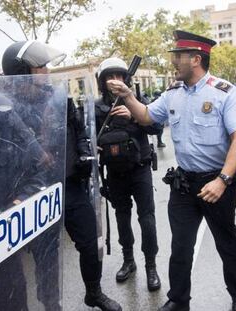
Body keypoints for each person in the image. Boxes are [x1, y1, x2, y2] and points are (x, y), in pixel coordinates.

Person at [107, 30, 236, 311]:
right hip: (184, 183)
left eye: (179, 56)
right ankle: (178, 300)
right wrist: (127, 95)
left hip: (217, 182)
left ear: (196, 59)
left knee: (227, 242)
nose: (174, 62)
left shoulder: (225, 93)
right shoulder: (173, 94)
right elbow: (146, 115)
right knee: (180, 247)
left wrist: (222, 180)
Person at [2, 41, 122, 311]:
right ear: (21, 71)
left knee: (90, 244)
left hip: (71, 185)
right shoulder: (8, 108)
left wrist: (82, 152)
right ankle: (51, 304)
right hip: (38, 191)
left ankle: (94, 292)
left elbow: (78, 129)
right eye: (40, 66)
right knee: (46, 256)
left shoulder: (59, 97)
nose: (47, 70)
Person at [95, 57, 161, 292]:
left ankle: (151, 266)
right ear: (102, 81)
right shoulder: (97, 106)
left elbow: (156, 127)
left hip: (140, 168)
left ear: (126, 78)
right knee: (122, 217)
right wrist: (94, 145)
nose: (115, 80)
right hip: (115, 173)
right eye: (110, 77)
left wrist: (133, 114)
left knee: (147, 218)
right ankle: (128, 260)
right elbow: (88, 137)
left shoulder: (137, 100)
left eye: (120, 76)